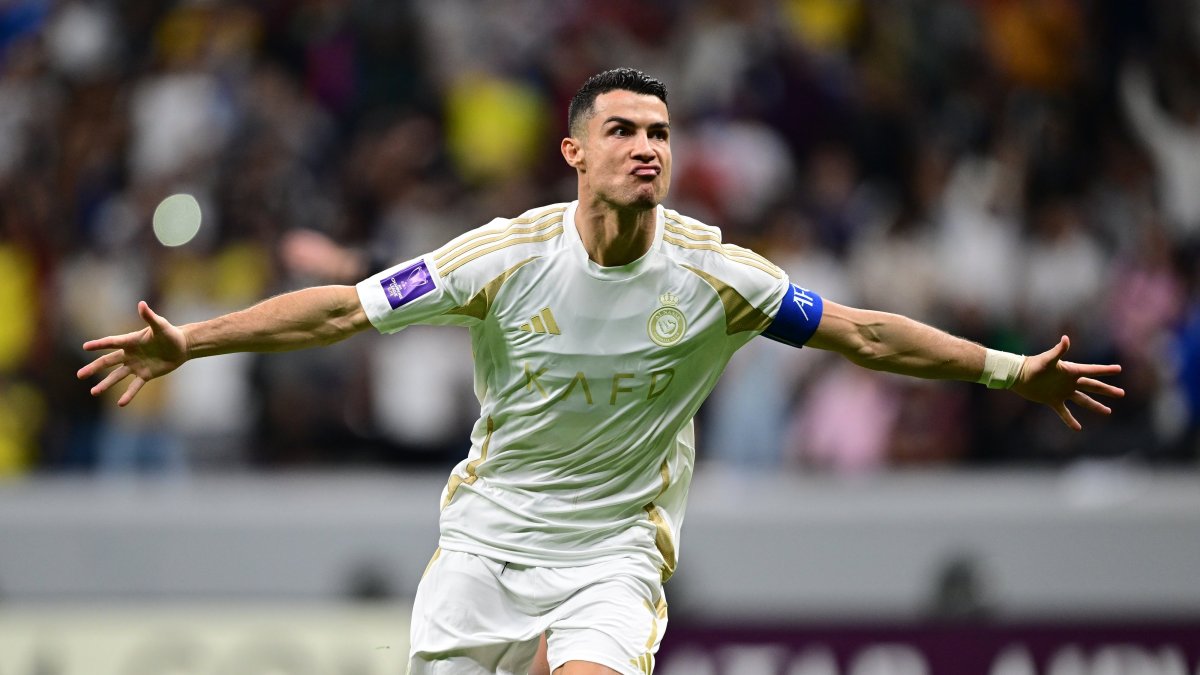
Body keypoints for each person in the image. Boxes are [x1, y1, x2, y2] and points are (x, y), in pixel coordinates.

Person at [79, 68, 1123, 675]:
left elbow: (865, 335)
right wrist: (195, 340)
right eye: (621, 130)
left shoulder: (719, 276)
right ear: (574, 153)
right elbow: (341, 314)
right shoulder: (503, 257)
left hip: (616, 550)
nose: (646, 147)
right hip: (486, 543)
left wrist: (1005, 370)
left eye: (660, 133)